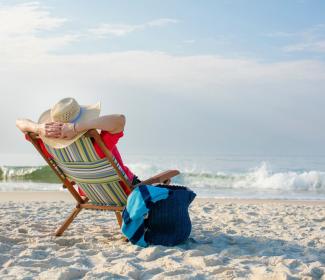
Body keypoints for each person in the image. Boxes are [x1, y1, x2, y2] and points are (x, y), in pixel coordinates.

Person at [16, 97, 141, 195]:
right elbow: (120, 120)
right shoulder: (98, 145)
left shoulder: (48, 146)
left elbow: (19, 122)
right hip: (127, 190)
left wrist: (38, 128)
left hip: (90, 193)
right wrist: (77, 127)